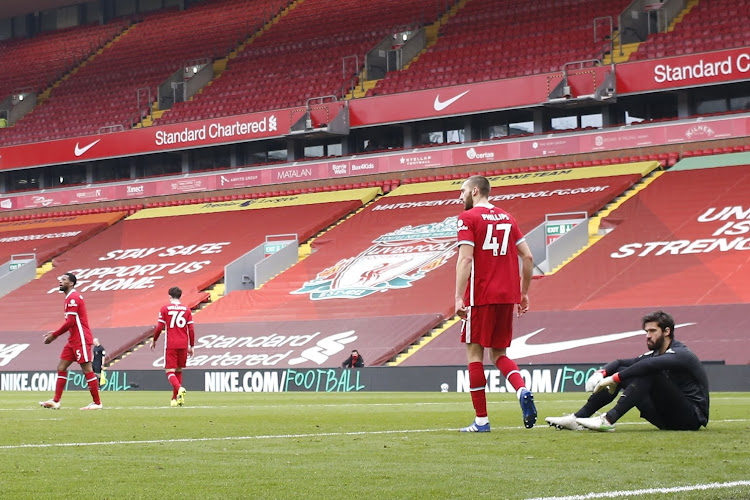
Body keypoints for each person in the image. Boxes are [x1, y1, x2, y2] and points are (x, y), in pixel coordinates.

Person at [455, 175, 536, 432]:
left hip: (481, 296)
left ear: (475, 191)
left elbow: (466, 260)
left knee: (474, 353)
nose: (460, 196)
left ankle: (481, 420)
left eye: (463, 191)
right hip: (507, 296)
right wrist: (523, 293)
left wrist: (458, 297)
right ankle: (521, 389)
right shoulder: (507, 218)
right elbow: (528, 257)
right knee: (499, 354)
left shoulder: (467, 218)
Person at [546, 310, 709, 432]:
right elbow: (620, 363)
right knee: (627, 369)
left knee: (648, 372)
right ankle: (578, 418)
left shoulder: (682, 354)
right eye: (646, 331)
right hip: (664, 419)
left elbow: (647, 366)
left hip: (691, 418)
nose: (647, 336)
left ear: (667, 332)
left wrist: (615, 379)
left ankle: (608, 420)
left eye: (652, 331)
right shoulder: (654, 354)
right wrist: (602, 373)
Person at [39, 272, 102, 410]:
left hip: (81, 339)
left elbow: (71, 322)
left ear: (71, 283)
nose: (60, 281)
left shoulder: (73, 298)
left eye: (64, 280)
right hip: (73, 340)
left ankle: (97, 403)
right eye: (60, 279)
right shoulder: (69, 298)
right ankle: (56, 401)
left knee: (87, 369)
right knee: (61, 367)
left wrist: (54, 335)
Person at [151, 286, 195, 407]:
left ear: (170, 296)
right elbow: (190, 329)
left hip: (171, 343)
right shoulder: (186, 309)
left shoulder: (165, 309)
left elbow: (160, 327)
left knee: (170, 371)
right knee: (179, 370)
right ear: (180, 296)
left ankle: (179, 389)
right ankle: (175, 399)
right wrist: (192, 345)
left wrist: (154, 340)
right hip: (184, 343)